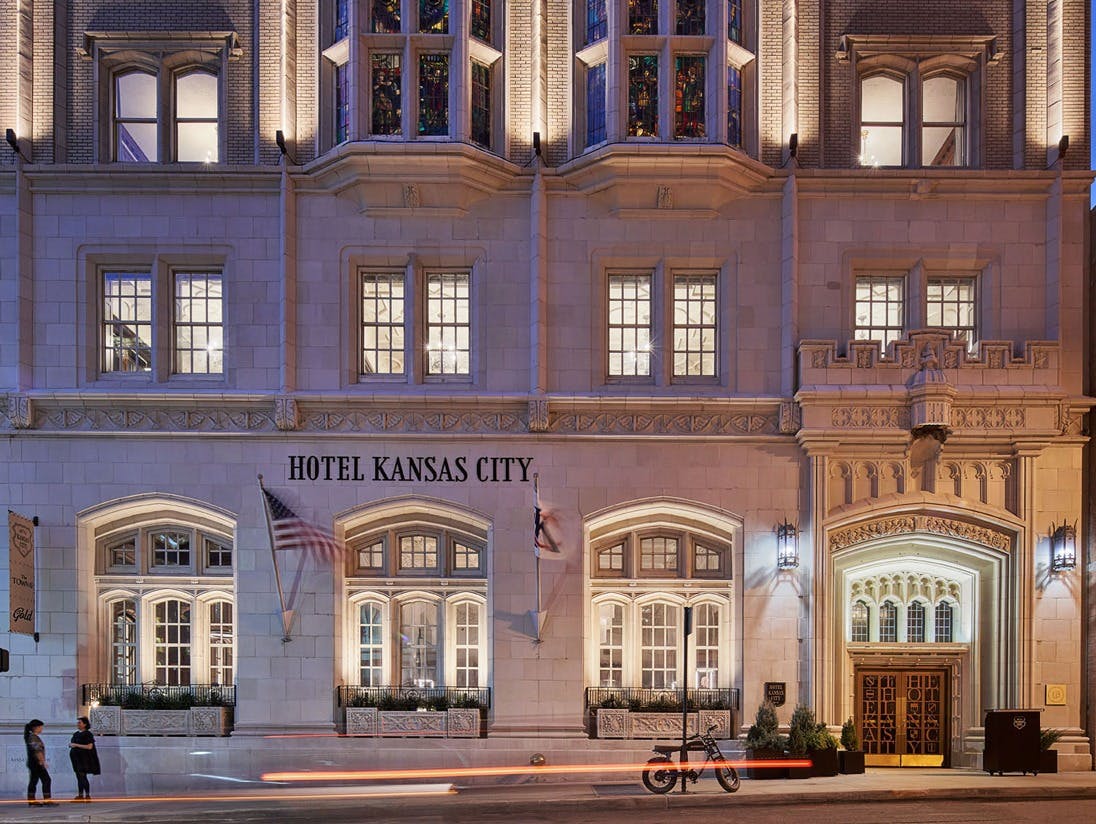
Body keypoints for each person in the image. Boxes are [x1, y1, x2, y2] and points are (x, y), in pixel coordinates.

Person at [24, 719, 58, 807]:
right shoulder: (33, 737)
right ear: (36, 727)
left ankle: (32, 800)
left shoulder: (32, 737)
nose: (42, 729)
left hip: (34, 763)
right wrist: (43, 762)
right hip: (36, 763)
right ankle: (45, 800)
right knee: (46, 780)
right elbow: (37, 751)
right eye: (41, 727)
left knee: (34, 781)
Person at [68, 716, 100, 801]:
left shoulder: (87, 734)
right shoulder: (76, 734)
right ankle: (80, 795)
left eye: (80, 722)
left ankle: (87, 795)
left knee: (83, 776)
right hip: (76, 760)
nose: (78, 724)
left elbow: (89, 746)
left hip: (84, 760)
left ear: (85, 724)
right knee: (79, 777)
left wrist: (76, 745)